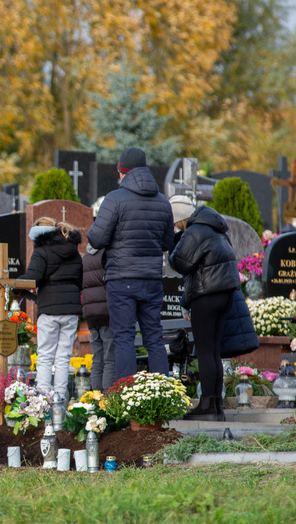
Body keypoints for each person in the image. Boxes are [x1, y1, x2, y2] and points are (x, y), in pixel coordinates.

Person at [87, 146, 174, 381]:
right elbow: (167, 242)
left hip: (121, 279)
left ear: (122, 171)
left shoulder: (115, 199)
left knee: (124, 337)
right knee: (154, 336)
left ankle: (126, 397)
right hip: (152, 280)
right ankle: (160, 394)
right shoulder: (163, 201)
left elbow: (97, 238)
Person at [168, 195, 240, 421]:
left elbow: (179, 262)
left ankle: (207, 407)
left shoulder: (194, 231)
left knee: (205, 351)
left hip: (206, 296)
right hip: (225, 294)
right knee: (214, 351)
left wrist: (176, 240)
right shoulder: (216, 228)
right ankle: (216, 405)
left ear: (179, 220)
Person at [17, 217, 83, 400]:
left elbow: (33, 277)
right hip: (70, 311)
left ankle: (43, 400)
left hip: (50, 309)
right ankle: (59, 401)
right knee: (63, 357)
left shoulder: (42, 251)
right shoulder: (74, 251)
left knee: (45, 356)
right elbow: (79, 281)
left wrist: (15, 286)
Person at [81, 244, 115, 392]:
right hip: (106, 311)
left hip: (90, 313)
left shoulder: (86, 257)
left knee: (97, 358)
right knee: (110, 358)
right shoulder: (108, 254)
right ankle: (108, 399)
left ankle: (95, 397)